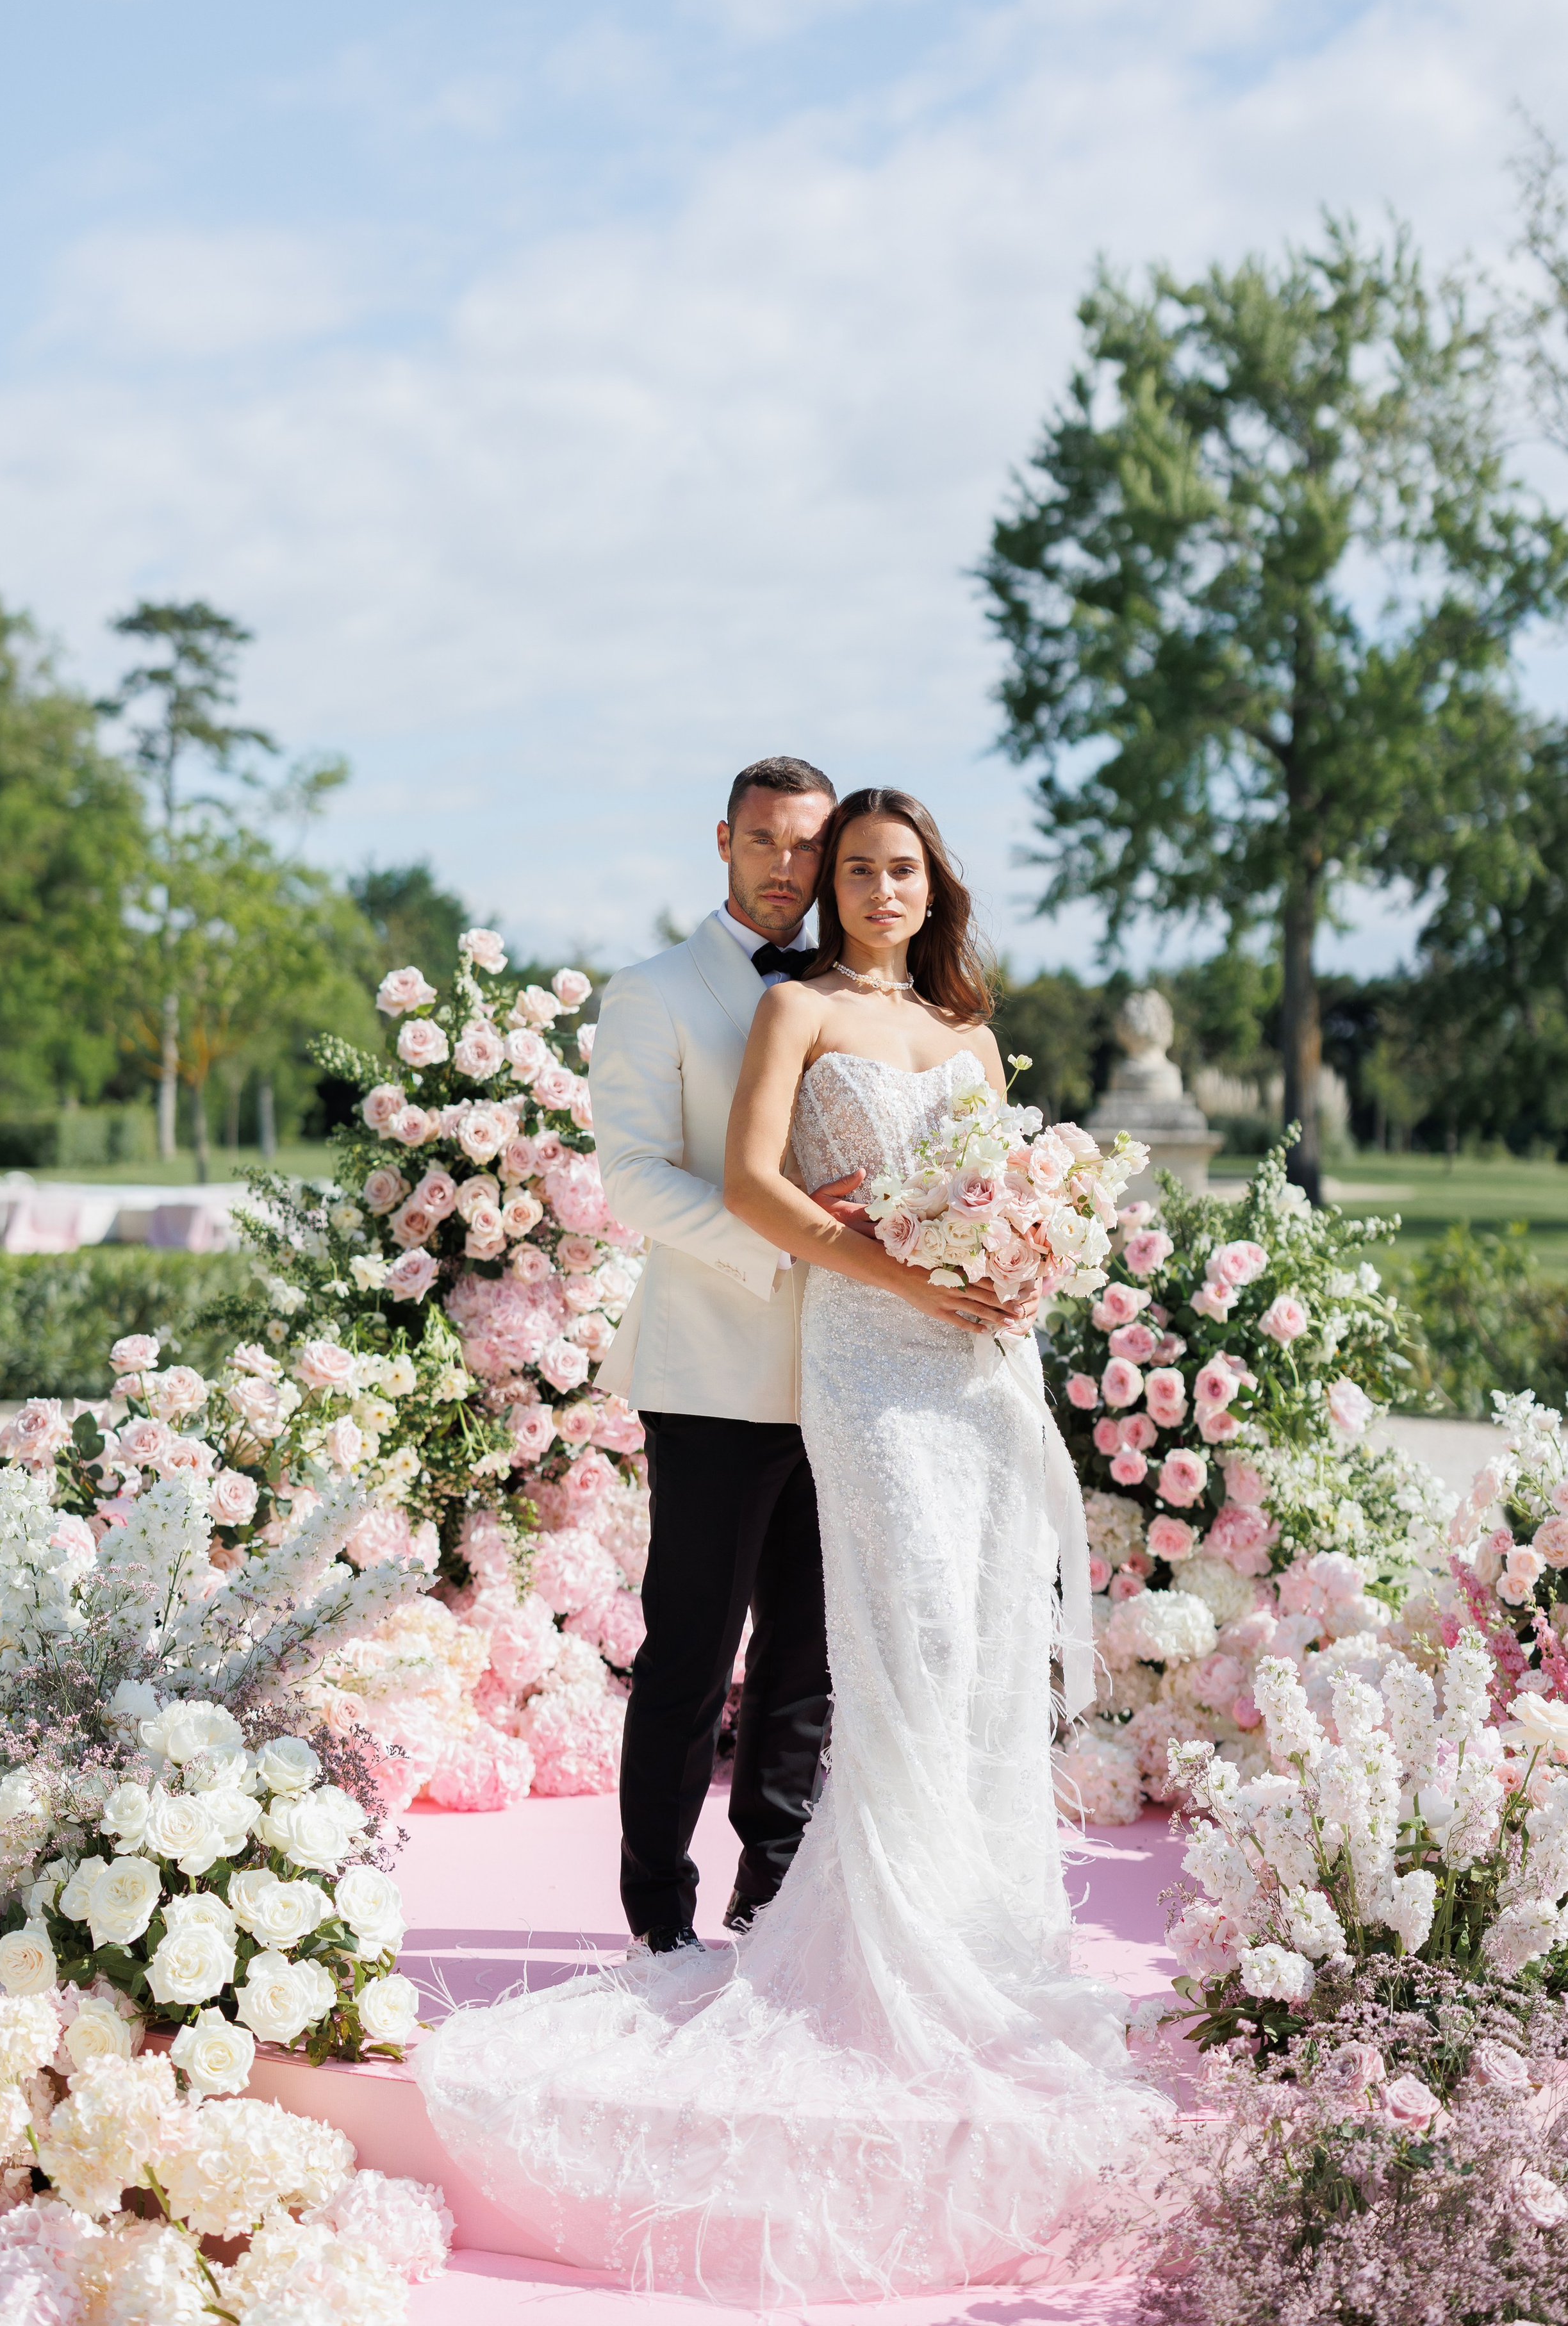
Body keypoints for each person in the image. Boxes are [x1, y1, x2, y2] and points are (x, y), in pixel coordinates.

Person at [416, 785, 1162, 2304]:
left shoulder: (965, 1032)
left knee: (925, 1648)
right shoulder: (751, 1002)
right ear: (793, 869)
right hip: (811, 1356)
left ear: (929, 886)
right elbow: (716, 1184)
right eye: (846, 864)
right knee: (783, 1639)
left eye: (894, 867)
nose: (866, 885)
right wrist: (892, 1265)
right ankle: (714, 1925)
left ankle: (901, 1916)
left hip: (962, 1360)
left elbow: (999, 1182)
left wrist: (1016, 1259)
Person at [588, 754, 841, 1951]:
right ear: (725, 841)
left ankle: (772, 1900)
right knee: (692, 1654)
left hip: (844, 1367)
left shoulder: (857, 990)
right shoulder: (653, 993)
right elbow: (634, 1178)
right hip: (708, 1372)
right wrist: (791, 1241)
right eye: (764, 839)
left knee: (807, 1659)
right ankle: (659, 1916)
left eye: (809, 844)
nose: (787, 865)